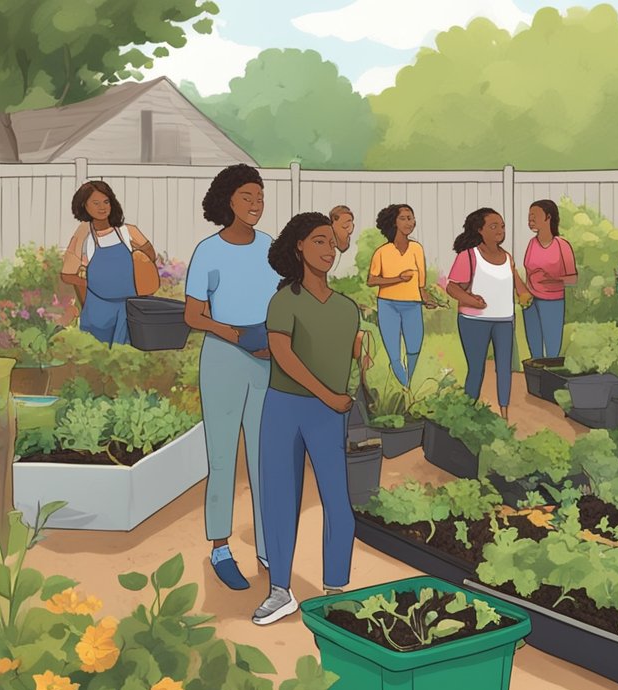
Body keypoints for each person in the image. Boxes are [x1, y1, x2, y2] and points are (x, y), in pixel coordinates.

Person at [252, 212, 371, 625]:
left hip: (328, 414)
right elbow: (283, 356)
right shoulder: (284, 300)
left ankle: (336, 589)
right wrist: (327, 394)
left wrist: (359, 357)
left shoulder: (346, 308)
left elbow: (346, 357)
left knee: (338, 501)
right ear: (299, 246)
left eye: (330, 243)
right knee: (280, 499)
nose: (328, 250)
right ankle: (280, 591)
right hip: (285, 408)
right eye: (318, 241)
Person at [184, 164, 278, 591]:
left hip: (265, 358)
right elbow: (193, 315)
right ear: (227, 201)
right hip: (224, 358)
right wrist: (238, 335)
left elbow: (284, 302)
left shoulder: (272, 248)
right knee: (222, 457)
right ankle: (221, 546)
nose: (256, 205)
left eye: (260, 197)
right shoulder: (209, 251)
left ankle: (266, 545)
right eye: (247, 197)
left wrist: (273, 341)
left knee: (264, 457)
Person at [444, 208, 532, 419]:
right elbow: (452, 287)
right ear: (479, 230)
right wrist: (470, 300)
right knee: (476, 369)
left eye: (502, 226)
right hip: (474, 321)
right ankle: (467, 412)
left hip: (504, 320)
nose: (500, 231)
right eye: (493, 226)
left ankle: (504, 414)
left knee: (504, 368)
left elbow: (517, 284)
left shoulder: (507, 257)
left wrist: (524, 295)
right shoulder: (469, 256)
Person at [60, 181, 159, 344]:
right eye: (96, 203)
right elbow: (67, 275)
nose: (102, 207)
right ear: (84, 205)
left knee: (127, 356)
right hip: (98, 311)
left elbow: (149, 255)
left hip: (129, 309)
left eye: (106, 202)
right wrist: (91, 284)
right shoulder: (84, 235)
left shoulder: (128, 232)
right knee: (97, 358)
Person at [367, 204, 437, 388]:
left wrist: (427, 299)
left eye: (411, 218)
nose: (409, 222)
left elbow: (421, 283)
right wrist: (397, 279)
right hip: (388, 305)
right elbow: (372, 280)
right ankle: (406, 388)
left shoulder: (417, 249)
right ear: (393, 222)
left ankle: (409, 387)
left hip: (412, 305)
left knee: (414, 349)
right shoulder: (382, 252)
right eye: (404, 218)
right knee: (394, 354)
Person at [522, 199, 577, 359]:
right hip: (531, 303)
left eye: (535, 216)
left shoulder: (562, 245)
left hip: (552, 302)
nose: (530, 220)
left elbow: (573, 279)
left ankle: (551, 382)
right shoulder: (531, 243)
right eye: (529, 216)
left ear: (548, 217)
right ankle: (536, 381)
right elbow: (528, 273)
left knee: (552, 350)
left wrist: (552, 279)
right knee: (535, 351)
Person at [330, 205, 355, 270]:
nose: (348, 226)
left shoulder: (356, 249)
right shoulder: (326, 249)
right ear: (332, 225)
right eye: (344, 225)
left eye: (350, 221)